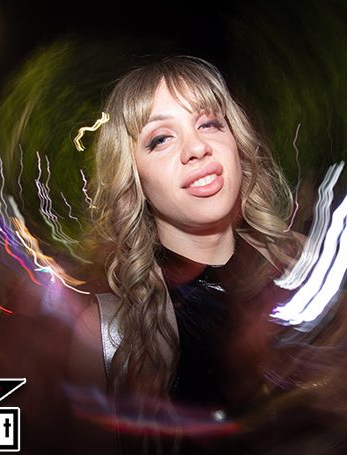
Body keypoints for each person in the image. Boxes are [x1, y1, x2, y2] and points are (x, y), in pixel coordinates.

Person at [66, 55, 304, 454]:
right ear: (134, 178)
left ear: (237, 143)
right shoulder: (105, 336)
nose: (196, 148)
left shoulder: (301, 272)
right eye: (160, 138)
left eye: (209, 123)